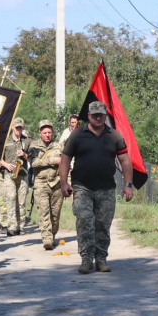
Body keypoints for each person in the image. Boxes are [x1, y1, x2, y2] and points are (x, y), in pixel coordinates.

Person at [60, 101, 134, 274]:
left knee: (103, 224)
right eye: (95, 115)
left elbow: (125, 160)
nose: (98, 118)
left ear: (105, 115)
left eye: (101, 115)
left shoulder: (114, 136)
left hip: (107, 188)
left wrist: (128, 185)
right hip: (82, 186)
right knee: (85, 221)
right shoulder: (77, 135)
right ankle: (86, 259)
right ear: (89, 116)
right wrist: (64, 182)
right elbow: (65, 159)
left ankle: (101, 259)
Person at [0, 117, 31, 236]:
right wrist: (5, 164)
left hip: (23, 173)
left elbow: (33, 158)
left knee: (21, 201)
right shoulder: (5, 140)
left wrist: (24, 154)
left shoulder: (27, 141)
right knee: (10, 198)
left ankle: (20, 225)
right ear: (12, 127)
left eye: (20, 128)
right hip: (9, 174)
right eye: (16, 127)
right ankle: (11, 226)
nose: (18, 130)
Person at [30, 119, 64, 250]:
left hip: (57, 184)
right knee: (44, 212)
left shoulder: (59, 146)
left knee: (55, 214)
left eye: (49, 132)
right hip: (41, 184)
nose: (47, 135)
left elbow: (66, 162)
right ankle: (47, 238)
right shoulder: (34, 146)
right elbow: (34, 162)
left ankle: (53, 234)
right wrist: (53, 160)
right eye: (45, 132)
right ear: (40, 133)